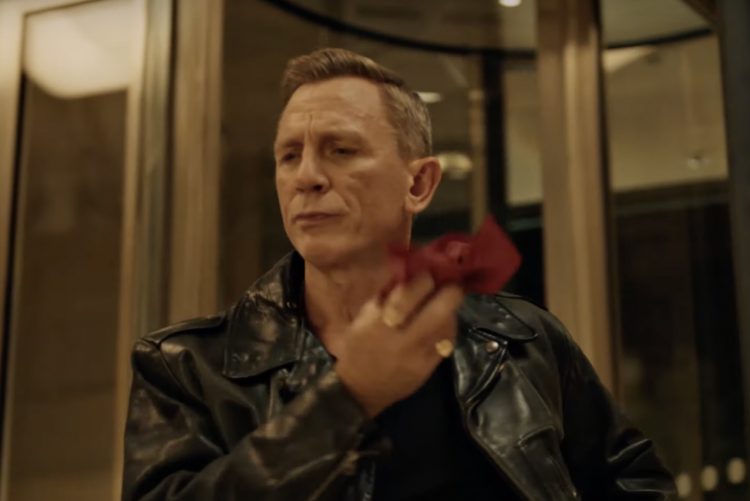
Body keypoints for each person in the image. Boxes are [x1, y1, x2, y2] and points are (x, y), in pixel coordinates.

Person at [122, 48, 675, 500]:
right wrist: (348, 399)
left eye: (340, 150)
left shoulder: (523, 340)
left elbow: (637, 481)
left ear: (419, 184)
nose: (306, 176)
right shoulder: (185, 368)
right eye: (289, 156)